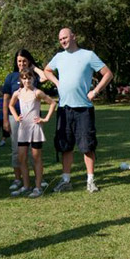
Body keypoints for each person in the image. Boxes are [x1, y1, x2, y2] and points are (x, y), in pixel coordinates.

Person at [44, 27, 114, 193]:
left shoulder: (88, 55)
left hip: (83, 109)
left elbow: (108, 74)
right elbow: (47, 70)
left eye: (65, 37)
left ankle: (90, 181)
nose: (63, 41)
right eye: (60, 39)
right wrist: (57, 82)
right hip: (64, 109)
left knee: (87, 145)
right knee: (65, 146)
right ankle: (66, 180)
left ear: (73, 37)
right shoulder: (59, 57)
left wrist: (95, 91)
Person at [2, 49, 47, 190]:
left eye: (24, 61)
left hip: (34, 119)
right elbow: (6, 100)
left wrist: (34, 68)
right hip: (17, 119)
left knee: (35, 152)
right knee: (17, 151)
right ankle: (18, 179)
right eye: (19, 61)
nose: (21, 64)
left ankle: (39, 179)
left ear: (29, 61)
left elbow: (45, 77)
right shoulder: (11, 77)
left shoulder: (33, 76)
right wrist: (5, 119)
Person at [8, 70, 57, 198]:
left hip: (35, 128)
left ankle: (38, 187)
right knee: (22, 158)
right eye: (24, 78)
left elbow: (53, 103)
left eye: (29, 78)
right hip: (23, 129)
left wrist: (45, 119)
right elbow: (11, 105)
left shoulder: (37, 92)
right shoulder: (17, 93)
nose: (27, 81)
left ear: (33, 79)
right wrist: (16, 117)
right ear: (21, 80)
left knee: (36, 157)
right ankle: (26, 186)